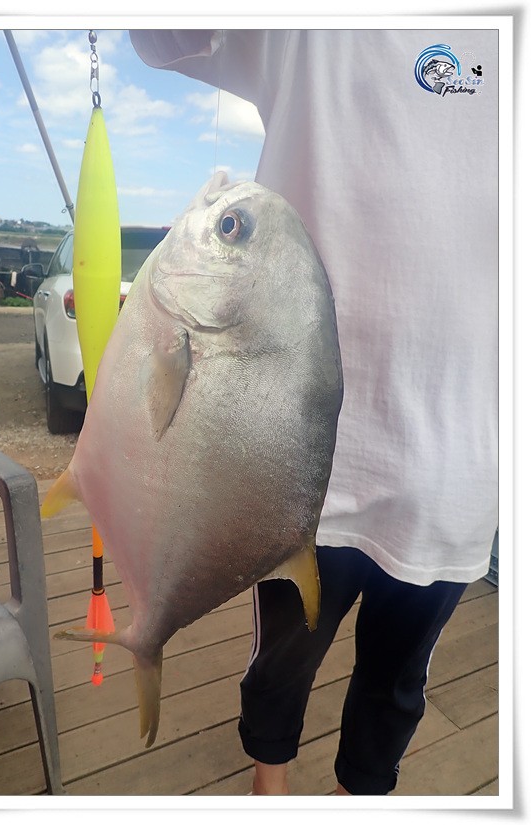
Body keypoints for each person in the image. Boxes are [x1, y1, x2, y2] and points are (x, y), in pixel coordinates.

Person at [130, 29, 498, 795]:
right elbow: (160, 33)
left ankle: (359, 798)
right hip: (295, 463)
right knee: (280, 662)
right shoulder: (307, 26)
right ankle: (270, 789)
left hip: (462, 466)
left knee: (398, 681)